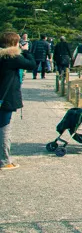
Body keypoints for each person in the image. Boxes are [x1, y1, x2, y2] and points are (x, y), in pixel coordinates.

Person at [0, 32, 35, 170]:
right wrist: (26, 51)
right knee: (4, 130)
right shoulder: (12, 57)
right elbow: (31, 64)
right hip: (6, 99)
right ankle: (4, 161)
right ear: (14, 43)